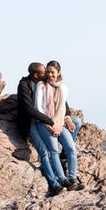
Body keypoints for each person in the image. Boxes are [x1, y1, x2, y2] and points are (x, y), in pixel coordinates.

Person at [16, 62, 66, 196]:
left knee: (53, 151)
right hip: (30, 123)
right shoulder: (24, 85)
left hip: (43, 122)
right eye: (44, 72)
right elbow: (29, 109)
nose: (47, 74)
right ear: (36, 75)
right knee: (43, 152)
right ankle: (54, 184)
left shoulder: (44, 83)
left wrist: (67, 116)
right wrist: (50, 121)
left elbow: (62, 99)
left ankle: (62, 177)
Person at [34, 60, 84, 191]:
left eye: (53, 72)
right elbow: (38, 109)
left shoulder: (64, 88)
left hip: (59, 123)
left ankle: (73, 177)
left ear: (58, 73)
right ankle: (63, 180)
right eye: (48, 72)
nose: (50, 74)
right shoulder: (41, 85)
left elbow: (62, 109)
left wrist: (67, 120)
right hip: (43, 123)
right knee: (54, 150)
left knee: (71, 149)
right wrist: (51, 126)